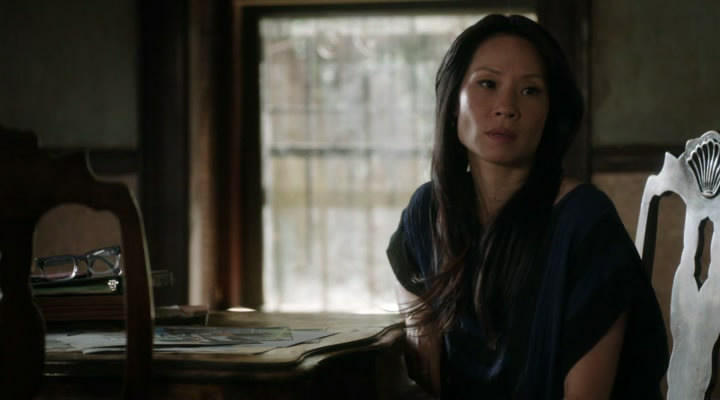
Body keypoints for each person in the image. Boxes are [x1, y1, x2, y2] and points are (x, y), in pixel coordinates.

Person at [386, 14, 668, 399]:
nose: (506, 107)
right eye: (488, 84)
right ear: (452, 102)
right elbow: (425, 375)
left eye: (530, 90)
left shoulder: (584, 220)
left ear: (550, 113)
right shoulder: (426, 213)